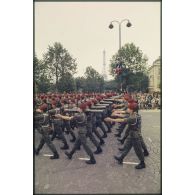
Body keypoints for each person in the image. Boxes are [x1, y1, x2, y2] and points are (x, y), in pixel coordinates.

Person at [105, 102, 146, 169]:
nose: (127, 109)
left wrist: (111, 119)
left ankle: (142, 163)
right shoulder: (134, 114)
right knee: (127, 147)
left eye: (129, 108)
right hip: (132, 134)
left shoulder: (133, 117)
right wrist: (117, 113)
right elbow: (124, 116)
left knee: (138, 150)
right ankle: (121, 158)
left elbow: (123, 120)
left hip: (135, 136)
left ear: (132, 110)